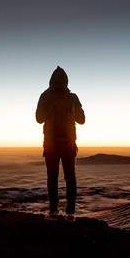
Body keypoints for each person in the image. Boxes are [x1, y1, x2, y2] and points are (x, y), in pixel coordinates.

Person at [35, 66, 85, 222]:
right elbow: (81, 120)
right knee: (70, 177)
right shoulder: (72, 97)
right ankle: (70, 214)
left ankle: (53, 211)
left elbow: (39, 119)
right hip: (69, 143)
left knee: (52, 177)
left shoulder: (45, 96)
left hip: (50, 144)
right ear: (66, 81)